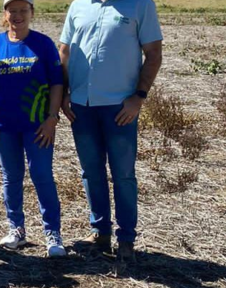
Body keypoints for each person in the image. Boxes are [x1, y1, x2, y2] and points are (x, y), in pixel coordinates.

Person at [59, 0, 163, 262]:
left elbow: (153, 53)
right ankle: (100, 232)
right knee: (91, 172)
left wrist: (138, 97)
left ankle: (126, 238)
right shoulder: (78, 5)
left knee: (123, 175)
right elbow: (65, 52)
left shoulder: (140, 5)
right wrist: (65, 93)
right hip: (82, 106)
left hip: (120, 107)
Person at [0, 0, 66, 257]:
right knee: (11, 177)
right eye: (12, 11)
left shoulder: (43, 44)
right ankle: (16, 229)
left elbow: (56, 84)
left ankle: (53, 233)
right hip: (3, 127)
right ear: (5, 14)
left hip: (38, 127)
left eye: (22, 11)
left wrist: (52, 119)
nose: (17, 16)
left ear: (31, 13)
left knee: (42, 176)